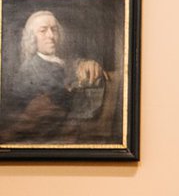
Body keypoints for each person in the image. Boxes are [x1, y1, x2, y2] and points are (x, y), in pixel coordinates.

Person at [4, 10, 107, 142]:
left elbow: (73, 67)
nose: (51, 35)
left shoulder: (65, 62)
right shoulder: (28, 71)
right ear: (31, 37)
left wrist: (88, 64)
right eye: (43, 30)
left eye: (54, 29)